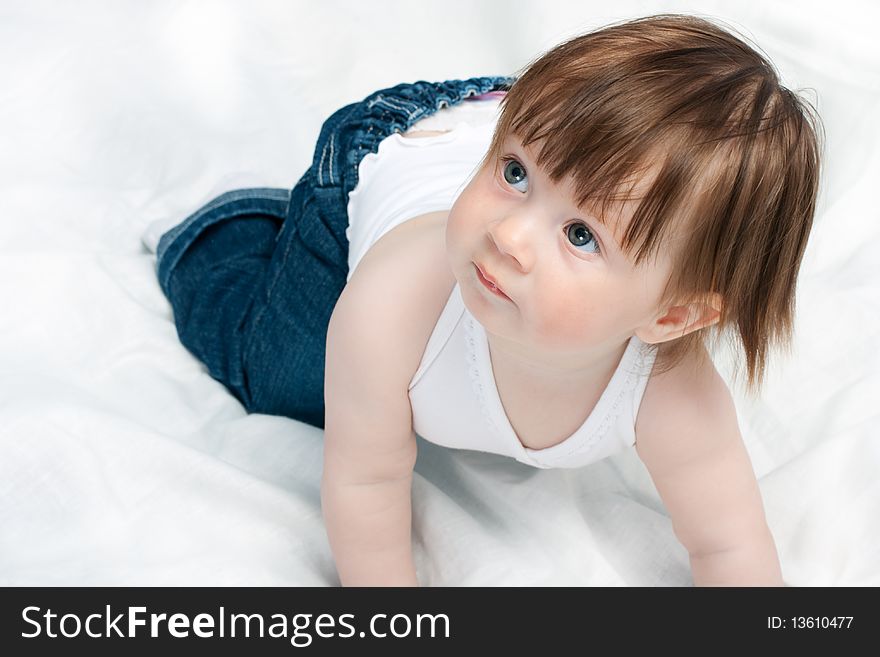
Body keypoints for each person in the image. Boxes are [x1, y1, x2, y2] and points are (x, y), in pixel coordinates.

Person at [143, 13, 822, 586]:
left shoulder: (674, 394)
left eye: (581, 235)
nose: (508, 235)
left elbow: (730, 546)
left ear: (670, 316)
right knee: (283, 378)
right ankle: (227, 222)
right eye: (515, 175)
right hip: (391, 151)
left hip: (515, 128)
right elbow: (367, 482)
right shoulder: (395, 303)